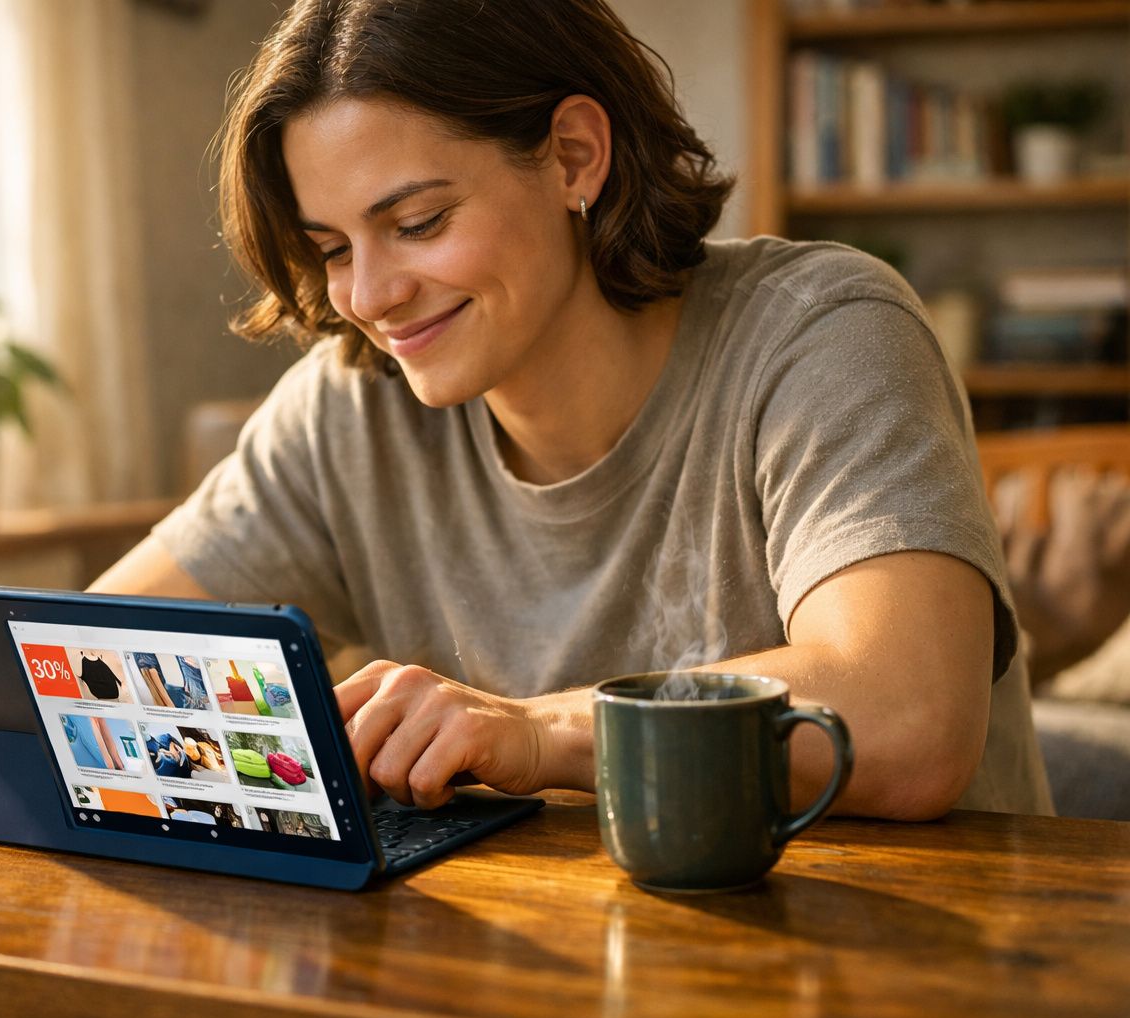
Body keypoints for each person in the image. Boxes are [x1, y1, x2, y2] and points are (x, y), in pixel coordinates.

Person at [92, 0, 1052, 819]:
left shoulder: (823, 332)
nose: (369, 297)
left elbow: (909, 721)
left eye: (418, 223)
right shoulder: (349, 409)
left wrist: (534, 733)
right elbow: (73, 660)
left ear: (574, 157)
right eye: (333, 250)